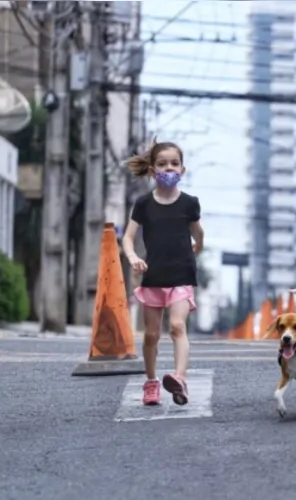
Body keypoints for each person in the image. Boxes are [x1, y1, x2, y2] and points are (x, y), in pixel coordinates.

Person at [121, 141, 205, 406]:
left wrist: (198, 248)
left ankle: (179, 378)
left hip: (181, 274)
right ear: (151, 170)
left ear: (183, 169)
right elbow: (128, 238)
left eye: (174, 163)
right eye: (162, 164)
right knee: (151, 335)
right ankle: (151, 381)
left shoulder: (190, 203)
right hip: (154, 276)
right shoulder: (144, 204)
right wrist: (134, 257)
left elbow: (198, 233)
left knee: (178, 327)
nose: (169, 168)